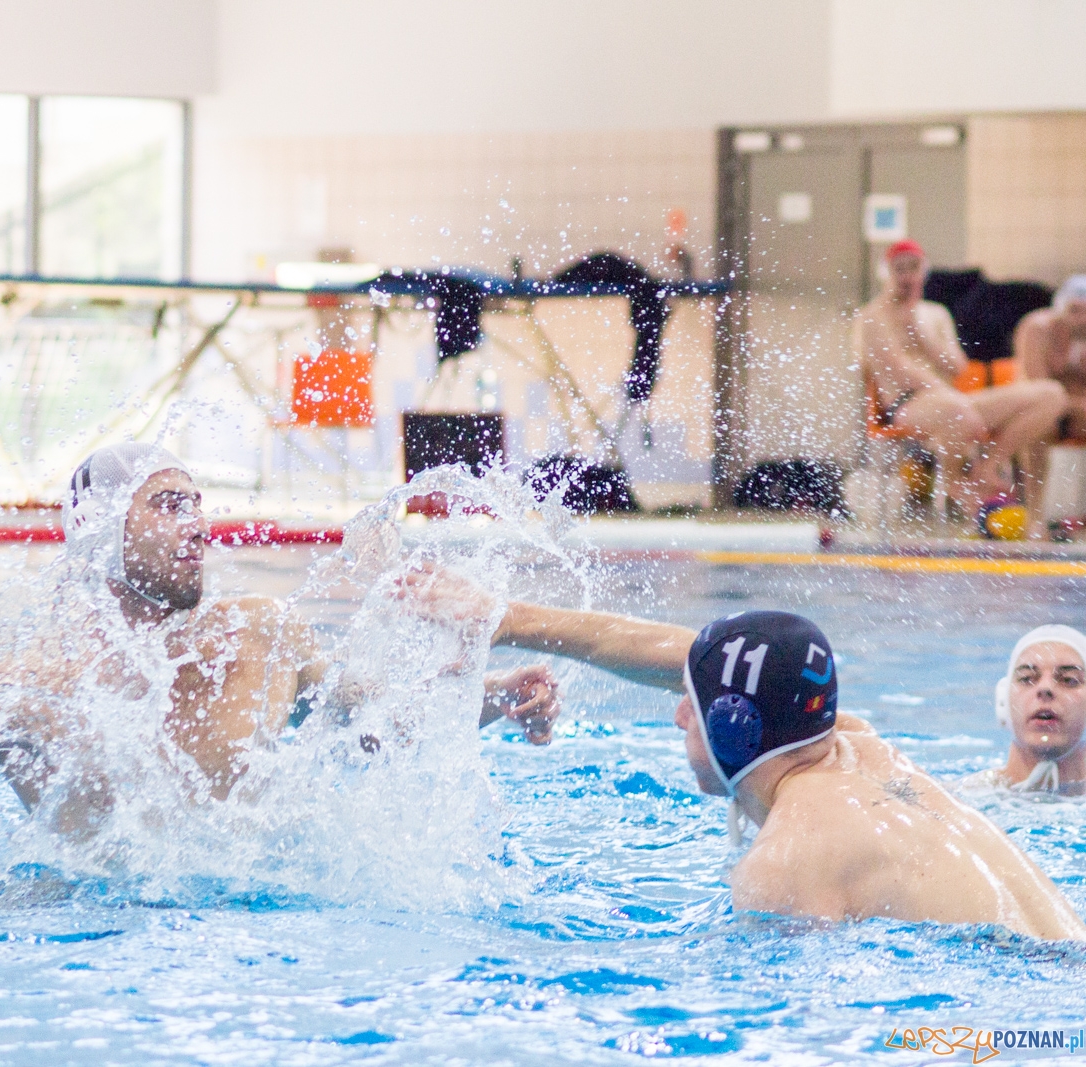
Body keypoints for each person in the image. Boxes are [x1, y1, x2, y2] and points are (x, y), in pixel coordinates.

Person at [0, 443, 557, 838]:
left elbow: (373, 723)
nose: (200, 525)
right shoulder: (29, 688)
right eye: (167, 503)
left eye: (197, 501)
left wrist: (489, 698)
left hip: (244, 952)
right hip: (81, 945)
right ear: (104, 534)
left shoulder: (262, 637)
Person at [399, 569, 1086, 940]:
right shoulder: (855, 742)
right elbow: (686, 654)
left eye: (690, 701)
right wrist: (505, 618)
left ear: (734, 726)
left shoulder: (787, 859)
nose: (675, 711)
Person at [856, 238, 1065, 529]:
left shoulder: (935, 314)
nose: (906, 276)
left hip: (953, 402)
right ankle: (957, 485)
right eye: (898, 269)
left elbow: (958, 367)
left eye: (913, 268)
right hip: (909, 404)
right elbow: (896, 370)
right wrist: (948, 397)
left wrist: (920, 333)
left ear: (923, 272)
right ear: (886, 273)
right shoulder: (871, 317)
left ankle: (986, 468)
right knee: (958, 411)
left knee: (1051, 395)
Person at [963, 625, 1086, 795]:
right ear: (1003, 700)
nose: (1045, 688)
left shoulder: (955, 808)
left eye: (1069, 680)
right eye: (1027, 678)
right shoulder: (959, 798)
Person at [1014, 274, 1086, 441]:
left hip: (1074, 407)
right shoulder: (1038, 329)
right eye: (1075, 310)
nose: (1082, 319)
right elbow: (1039, 388)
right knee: (1043, 417)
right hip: (1040, 403)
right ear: (1059, 308)